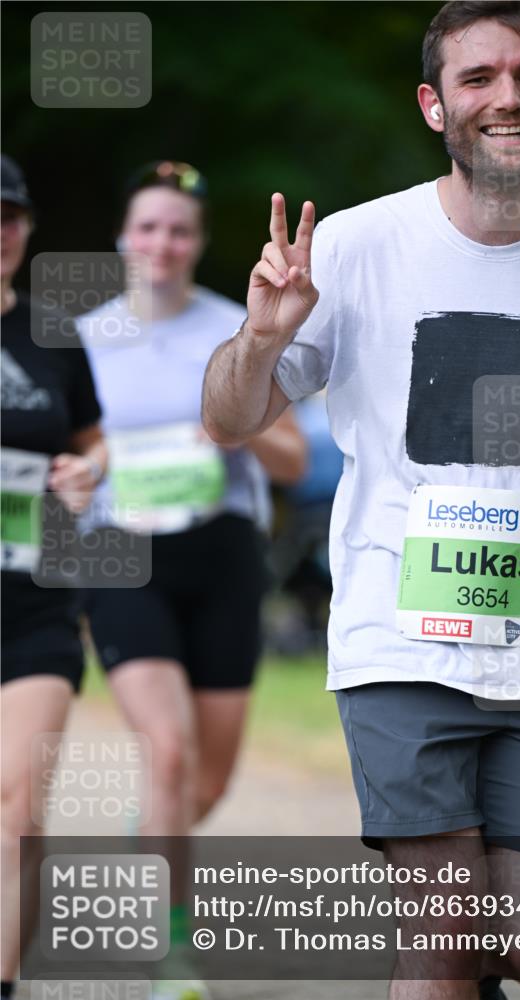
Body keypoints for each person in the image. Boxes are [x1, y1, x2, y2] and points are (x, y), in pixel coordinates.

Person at [202, 2, 520, 998]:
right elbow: (232, 419)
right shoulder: (357, 246)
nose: (507, 96)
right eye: (478, 77)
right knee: (443, 935)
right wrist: (262, 336)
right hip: (397, 638)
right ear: (433, 104)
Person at [77, 161, 306, 1000]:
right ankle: (169, 954)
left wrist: (230, 427)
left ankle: (152, 841)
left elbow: (295, 459)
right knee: (166, 755)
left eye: (179, 230)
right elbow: (69, 457)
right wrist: (82, 472)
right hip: (121, 555)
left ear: (199, 242)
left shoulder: (236, 328)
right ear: (123, 238)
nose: (162, 243)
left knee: (201, 781)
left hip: (221, 557)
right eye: (148, 227)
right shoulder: (89, 337)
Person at [1, 155, 106, 1000]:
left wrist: (83, 472)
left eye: (9, 215)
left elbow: (93, 441)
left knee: (17, 809)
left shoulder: (52, 335)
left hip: (34, 607)